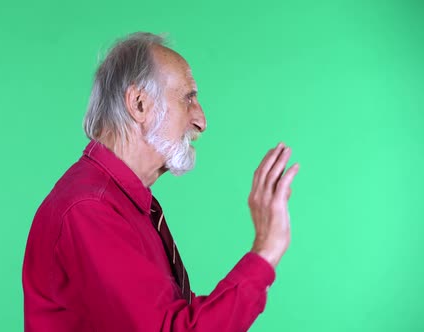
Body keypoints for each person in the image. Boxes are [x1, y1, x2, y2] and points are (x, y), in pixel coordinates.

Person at [22, 32, 300, 331]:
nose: (201, 121)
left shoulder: (122, 202)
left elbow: (170, 315)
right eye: (188, 98)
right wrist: (265, 251)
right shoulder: (89, 209)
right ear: (139, 104)